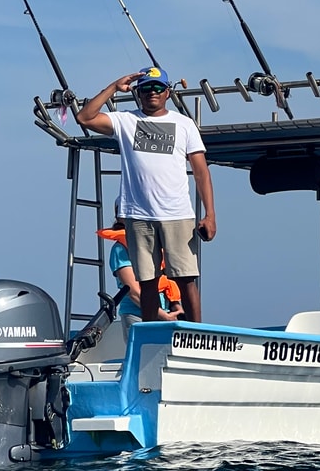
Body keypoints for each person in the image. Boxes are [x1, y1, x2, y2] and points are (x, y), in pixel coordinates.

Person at [76, 66, 216, 322]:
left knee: (185, 279)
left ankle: (198, 332)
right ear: (138, 93)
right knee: (148, 280)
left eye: (158, 88)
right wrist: (113, 86)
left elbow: (201, 172)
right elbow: (85, 117)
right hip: (138, 215)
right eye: (147, 89)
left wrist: (210, 215)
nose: (153, 93)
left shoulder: (184, 124)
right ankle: (150, 334)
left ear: (168, 92)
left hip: (177, 214)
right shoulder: (125, 120)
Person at [98, 213, 183, 342]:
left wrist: (177, 309)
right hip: (136, 316)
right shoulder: (120, 249)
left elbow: (169, 282)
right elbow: (134, 292)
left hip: (166, 315)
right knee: (143, 358)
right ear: (119, 217)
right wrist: (164, 316)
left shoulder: (155, 243)